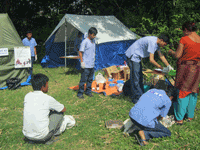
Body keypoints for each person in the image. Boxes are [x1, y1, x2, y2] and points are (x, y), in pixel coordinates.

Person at [22, 73, 75, 145]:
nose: (48, 87)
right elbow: (63, 109)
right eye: (47, 85)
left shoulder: (27, 96)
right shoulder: (47, 98)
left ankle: (33, 139)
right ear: (43, 86)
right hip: (42, 137)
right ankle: (50, 137)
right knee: (58, 114)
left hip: (27, 136)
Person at [125, 34, 174, 104]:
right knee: (135, 78)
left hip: (137, 58)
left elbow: (161, 56)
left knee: (140, 77)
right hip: (133, 56)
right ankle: (136, 99)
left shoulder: (157, 43)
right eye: (164, 44)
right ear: (161, 40)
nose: (164, 46)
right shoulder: (152, 42)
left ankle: (141, 96)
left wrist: (168, 66)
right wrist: (161, 68)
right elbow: (151, 60)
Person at [168, 21, 200, 125]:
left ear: (186, 30)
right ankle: (190, 116)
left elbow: (177, 55)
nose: (183, 33)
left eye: (183, 30)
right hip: (197, 68)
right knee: (193, 91)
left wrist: (171, 52)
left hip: (186, 68)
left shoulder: (184, 39)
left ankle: (179, 119)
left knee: (183, 91)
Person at [129, 80, 175, 146]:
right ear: (166, 89)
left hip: (132, 115)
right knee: (167, 133)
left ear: (156, 86)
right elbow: (162, 116)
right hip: (144, 121)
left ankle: (136, 128)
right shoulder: (167, 100)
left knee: (143, 119)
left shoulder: (150, 91)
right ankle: (144, 134)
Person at [77, 27, 98, 99]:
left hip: (91, 65)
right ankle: (80, 93)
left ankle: (88, 92)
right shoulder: (85, 42)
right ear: (89, 34)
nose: (94, 36)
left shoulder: (93, 41)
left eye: (95, 35)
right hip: (85, 65)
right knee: (83, 80)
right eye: (93, 34)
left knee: (90, 80)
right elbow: (80, 52)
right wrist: (82, 62)